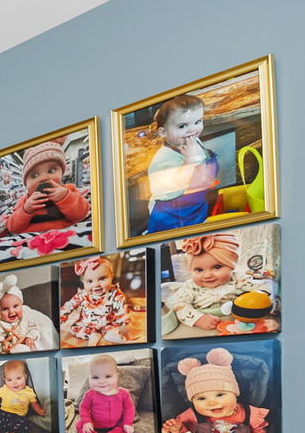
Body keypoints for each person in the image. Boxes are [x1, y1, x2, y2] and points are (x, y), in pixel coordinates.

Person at [162, 232, 272, 334]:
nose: (207, 275)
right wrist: (198, 319)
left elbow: (263, 286)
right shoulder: (191, 286)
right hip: (201, 325)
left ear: (231, 266)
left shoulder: (237, 279)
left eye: (217, 267)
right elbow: (178, 304)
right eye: (199, 270)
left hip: (236, 321)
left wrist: (258, 298)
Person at [162, 347, 269, 433]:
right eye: (201, 398)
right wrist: (178, 430)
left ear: (235, 394)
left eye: (220, 395)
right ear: (193, 401)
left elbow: (258, 431)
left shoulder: (250, 413)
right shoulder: (190, 416)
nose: (212, 403)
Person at [145, 94, 220, 233]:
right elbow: (175, 185)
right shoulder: (163, 160)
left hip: (196, 209)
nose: (192, 129)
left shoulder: (192, 140)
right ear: (163, 132)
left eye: (198, 122)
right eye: (182, 126)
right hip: (172, 219)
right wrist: (190, 161)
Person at [2, 140, 89, 235]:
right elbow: (12, 228)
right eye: (34, 175)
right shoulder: (25, 200)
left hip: (64, 233)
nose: (43, 178)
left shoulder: (68, 191)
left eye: (51, 170)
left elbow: (81, 214)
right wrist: (25, 210)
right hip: (31, 239)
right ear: (26, 184)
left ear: (62, 173)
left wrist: (65, 198)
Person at [60, 255, 130, 346]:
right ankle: (93, 335)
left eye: (102, 278)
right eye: (90, 281)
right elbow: (70, 305)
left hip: (108, 323)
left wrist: (123, 322)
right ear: (83, 282)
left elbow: (121, 309)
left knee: (113, 331)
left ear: (111, 277)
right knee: (75, 329)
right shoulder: (83, 294)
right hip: (87, 324)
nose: (96, 284)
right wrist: (62, 316)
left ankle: (110, 335)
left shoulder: (115, 294)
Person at [0, 274, 58, 354]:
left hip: (28, 343)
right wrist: (3, 347)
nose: (11, 312)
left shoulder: (27, 316)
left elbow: (34, 328)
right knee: (16, 351)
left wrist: (30, 337)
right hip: (13, 348)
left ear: (21, 305)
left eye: (15, 306)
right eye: (5, 309)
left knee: (34, 348)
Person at [0, 358, 46, 433]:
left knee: (26, 424)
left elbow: (34, 404)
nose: (14, 383)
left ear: (25, 377)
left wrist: (40, 411)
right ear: (5, 380)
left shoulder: (29, 392)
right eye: (9, 380)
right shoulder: (5, 389)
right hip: (3, 414)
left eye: (18, 378)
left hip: (18, 417)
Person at [74, 355, 136, 433]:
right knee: (79, 425)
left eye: (107, 376)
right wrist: (87, 422)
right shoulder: (90, 394)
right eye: (95, 377)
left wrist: (127, 423)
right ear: (89, 378)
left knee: (128, 428)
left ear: (117, 376)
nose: (101, 381)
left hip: (116, 423)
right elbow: (84, 408)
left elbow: (129, 408)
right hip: (94, 423)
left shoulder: (124, 394)